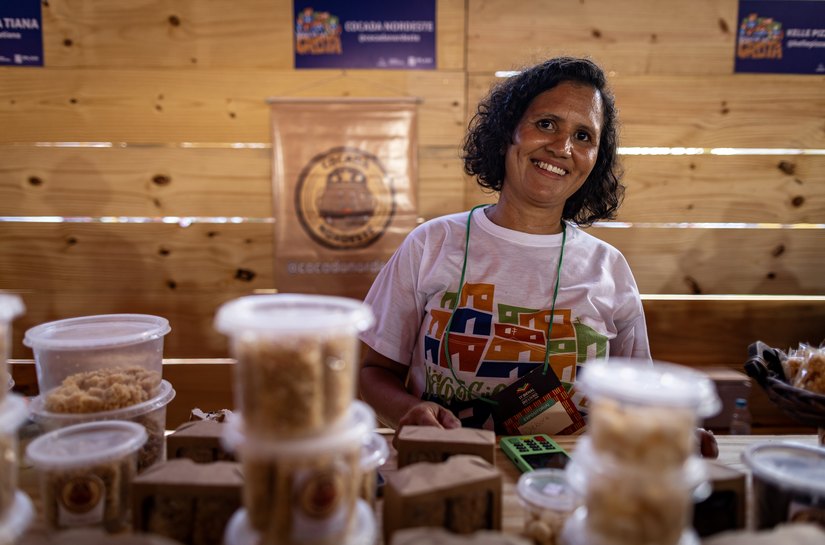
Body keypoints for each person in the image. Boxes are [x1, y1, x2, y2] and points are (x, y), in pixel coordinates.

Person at [359, 56, 718, 457]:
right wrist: (408, 410)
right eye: (546, 124)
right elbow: (373, 373)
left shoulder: (609, 269)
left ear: (595, 158)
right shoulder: (431, 244)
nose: (562, 147)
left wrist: (669, 430)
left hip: (570, 485)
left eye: (583, 136)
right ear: (507, 130)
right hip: (446, 473)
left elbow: (635, 401)